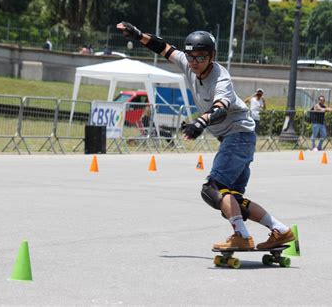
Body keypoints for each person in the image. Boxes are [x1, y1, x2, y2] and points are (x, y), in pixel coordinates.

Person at [117, 21, 295, 250]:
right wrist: (138, 34)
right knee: (233, 201)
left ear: (212, 56)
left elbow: (220, 105)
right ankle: (281, 230)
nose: (195, 63)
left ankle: (241, 236)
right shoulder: (188, 63)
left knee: (212, 189)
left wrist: (199, 123)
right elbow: (164, 48)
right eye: (191, 57)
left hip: (238, 135)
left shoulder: (221, 77)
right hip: (238, 138)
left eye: (201, 58)